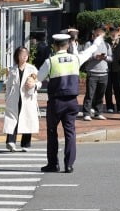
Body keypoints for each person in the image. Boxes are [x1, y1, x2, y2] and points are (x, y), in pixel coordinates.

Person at [37, 32, 105, 173]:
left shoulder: (51, 61)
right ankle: (69, 164)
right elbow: (91, 50)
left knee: (52, 132)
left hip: (56, 102)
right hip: (72, 101)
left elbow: (38, 79)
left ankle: (53, 164)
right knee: (70, 133)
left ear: (54, 46)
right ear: (67, 45)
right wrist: (98, 40)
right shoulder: (76, 58)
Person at [3, 47, 42, 152]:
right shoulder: (12, 69)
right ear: (17, 56)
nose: (24, 56)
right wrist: (6, 97)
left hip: (27, 98)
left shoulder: (32, 69)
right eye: (22, 54)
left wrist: (33, 85)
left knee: (27, 119)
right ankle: (10, 142)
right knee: (12, 119)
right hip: (14, 98)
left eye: (26, 54)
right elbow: (8, 84)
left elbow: (39, 82)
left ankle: (26, 144)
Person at [82, 26, 112, 121]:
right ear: (93, 34)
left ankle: (98, 112)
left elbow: (111, 58)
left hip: (104, 73)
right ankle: (86, 113)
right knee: (90, 94)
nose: (98, 36)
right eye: (97, 34)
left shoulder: (107, 45)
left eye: (101, 34)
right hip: (92, 73)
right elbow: (84, 57)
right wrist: (94, 57)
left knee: (100, 94)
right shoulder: (89, 44)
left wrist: (105, 57)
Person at [105, 26, 120, 113]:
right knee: (108, 88)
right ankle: (110, 106)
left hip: (118, 69)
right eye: (112, 32)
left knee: (118, 88)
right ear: (109, 33)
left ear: (119, 33)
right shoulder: (106, 42)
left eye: (116, 32)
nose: (114, 34)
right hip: (107, 69)